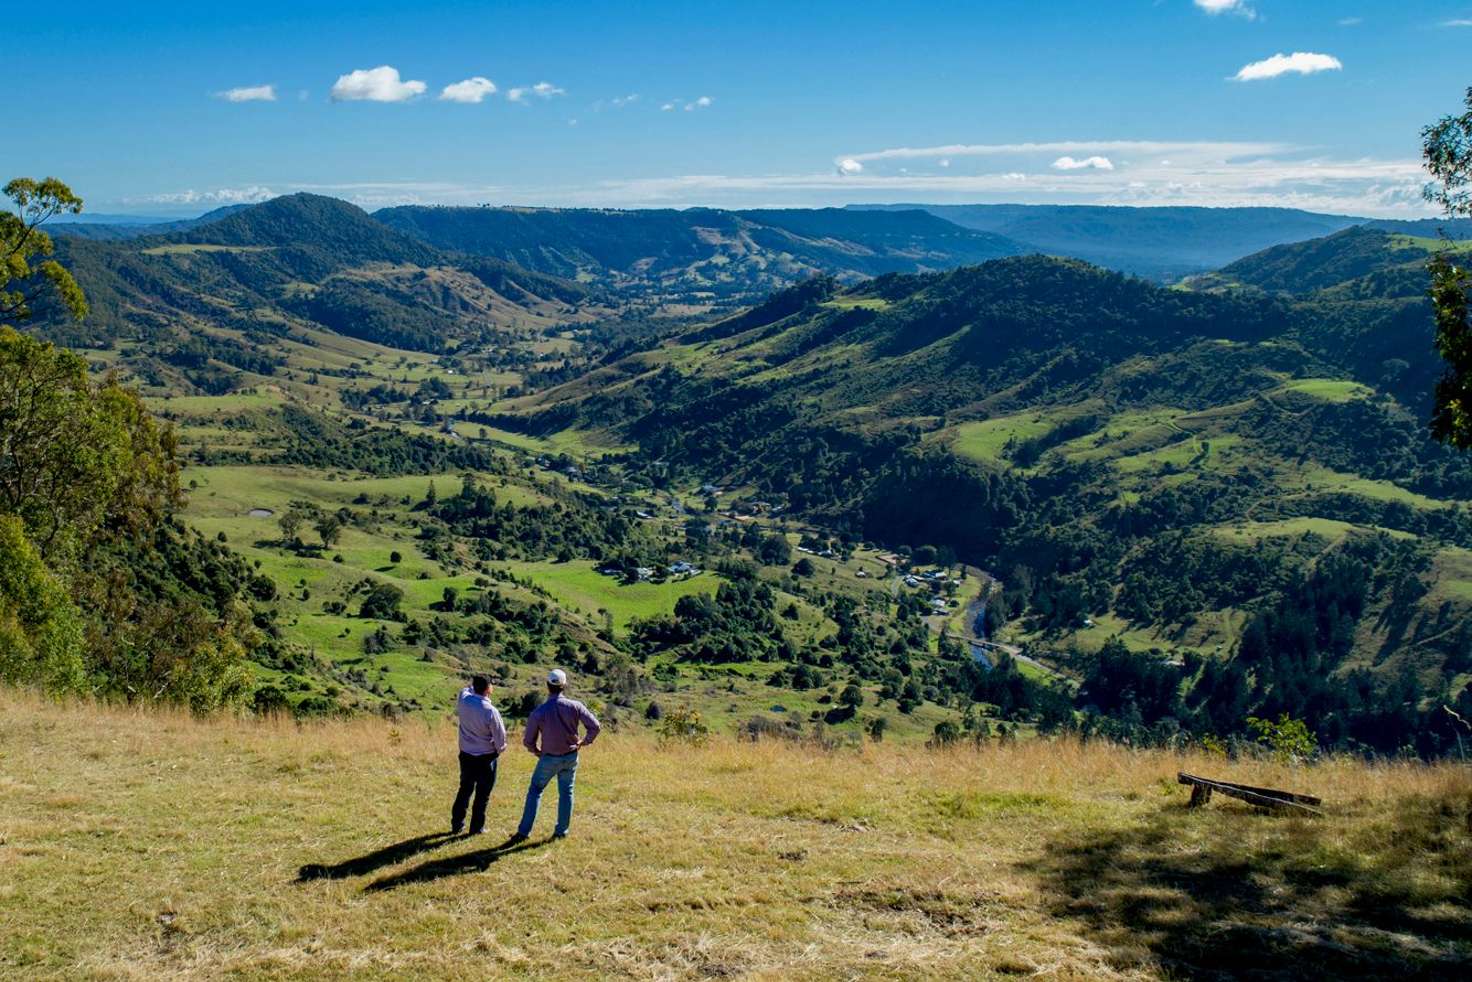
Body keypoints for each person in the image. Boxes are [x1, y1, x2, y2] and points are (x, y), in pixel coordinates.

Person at [510, 669, 600, 841]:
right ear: (564, 685)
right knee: (566, 793)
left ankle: (523, 832)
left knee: (535, 791)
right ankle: (561, 832)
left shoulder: (539, 712)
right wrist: (584, 742)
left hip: (548, 757)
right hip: (571, 756)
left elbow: (528, 740)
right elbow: (595, 726)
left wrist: (537, 752)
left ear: (547, 686)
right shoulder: (576, 706)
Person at [451, 675, 507, 836]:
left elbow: (465, 689)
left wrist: (473, 686)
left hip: (466, 754)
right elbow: (500, 738)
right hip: (486, 757)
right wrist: (499, 750)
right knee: (482, 794)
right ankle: (476, 828)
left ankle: (457, 823)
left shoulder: (464, 700)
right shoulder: (490, 711)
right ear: (488, 689)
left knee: (465, 789)